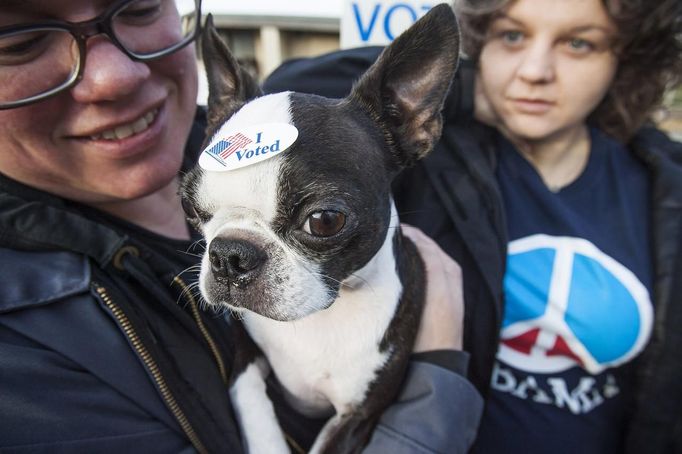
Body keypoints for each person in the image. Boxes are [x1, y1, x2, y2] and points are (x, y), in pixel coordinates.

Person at [0, 1, 484, 453]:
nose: (113, 77)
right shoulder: (21, 351)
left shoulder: (316, 145)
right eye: (19, 42)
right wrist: (435, 380)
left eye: (140, 7)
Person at [263, 0, 682, 453]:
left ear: (628, 56)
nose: (535, 71)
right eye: (512, 36)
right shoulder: (427, 161)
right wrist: (459, 90)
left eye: (578, 43)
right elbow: (284, 93)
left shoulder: (663, 187)